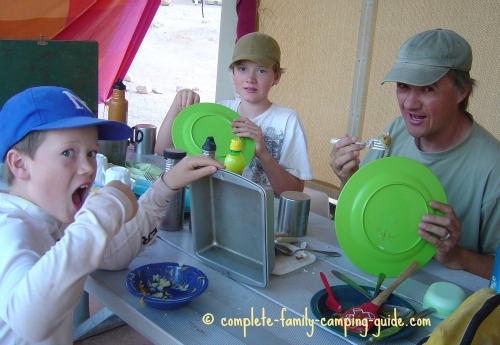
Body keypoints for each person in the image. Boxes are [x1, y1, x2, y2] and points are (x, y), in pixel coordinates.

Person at [0, 86, 223, 344]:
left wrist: (167, 184)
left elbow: (114, 253)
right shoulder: (8, 228)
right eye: (68, 153)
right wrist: (101, 213)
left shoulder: (51, 217)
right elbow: (32, 322)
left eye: (91, 153)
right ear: (19, 164)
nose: (87, 167)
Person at [330, 29, 500, 279]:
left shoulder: (492, 167)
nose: (409, 103)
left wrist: (456, 256)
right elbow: (364, 214)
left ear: (461, 91)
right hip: (383, 274)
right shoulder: (396, 130)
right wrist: (348, 178)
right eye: (403, 86)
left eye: (427, 89)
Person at [155, 32, 313, 196]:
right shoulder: (220, 112)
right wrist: (178, 104)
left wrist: (263, 153)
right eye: (242, 69)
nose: (250, 78)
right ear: (233, 73)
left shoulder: (287, 121)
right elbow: (162, 150)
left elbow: (294, 193)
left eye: (261, 71)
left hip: (264, 215)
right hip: (215, 205)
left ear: (277, 77)